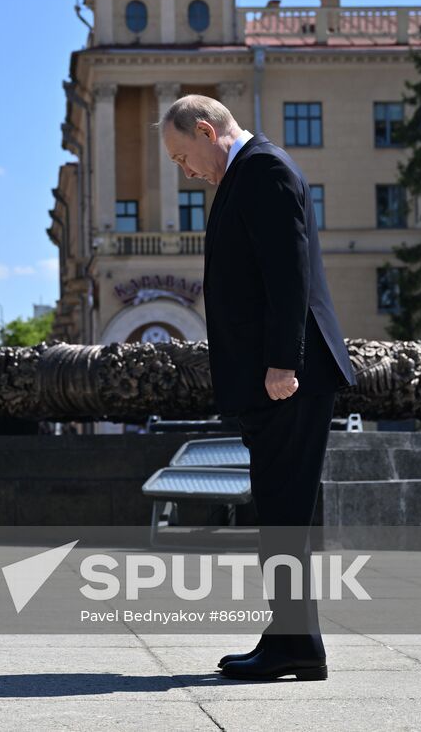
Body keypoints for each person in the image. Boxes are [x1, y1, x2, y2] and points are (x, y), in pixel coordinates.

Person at [159, 94, 355, 682]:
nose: (183, 170)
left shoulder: (263, 169)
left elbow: (288, 274)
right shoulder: (245, 174)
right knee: (279, 511)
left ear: (204, 130)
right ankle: (292, 640)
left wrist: (281, 363)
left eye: (181, 155)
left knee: (285, 512)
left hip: (290, 378)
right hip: (279, 379)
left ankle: (297, 645)